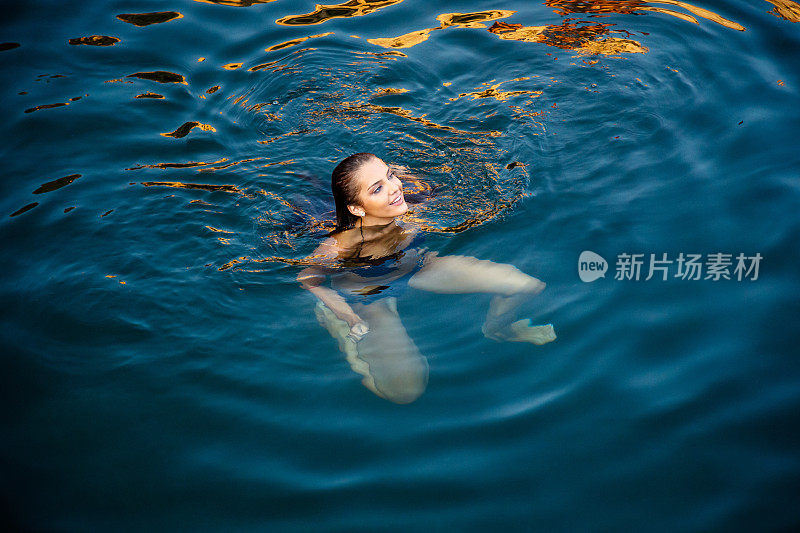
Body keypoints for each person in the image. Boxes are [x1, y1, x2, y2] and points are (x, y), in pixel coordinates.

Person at [297, 152, 555, 404]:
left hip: (419, 267)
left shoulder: (410, 204)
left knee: (525, 286)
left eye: (391, 176)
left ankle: (498, 329)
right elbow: (307, 278)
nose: (394, 188)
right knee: (405, 390)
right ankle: (339, 327)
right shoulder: (341, 245)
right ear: (356, 208)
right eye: (377, 189)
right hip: (370, 292)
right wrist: (348, 317)